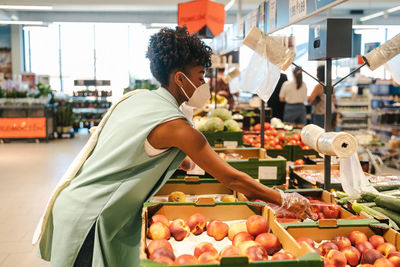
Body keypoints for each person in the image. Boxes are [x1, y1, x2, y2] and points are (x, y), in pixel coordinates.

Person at [34, 27, 314, 267]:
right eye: (200, 74)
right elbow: (230, 177)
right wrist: (283, 198)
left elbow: (130, 145)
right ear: (180, 78)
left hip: (75, 203)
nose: (204, 82)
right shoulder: (178, 127)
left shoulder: (137, 98)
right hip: (90, 217)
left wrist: (179, 160)